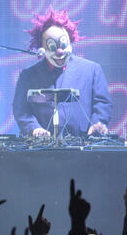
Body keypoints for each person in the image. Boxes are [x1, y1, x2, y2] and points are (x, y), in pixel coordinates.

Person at [13, 7, 112, 137]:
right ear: (42, 49)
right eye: (52, 47)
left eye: (63, 45)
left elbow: (102, 102)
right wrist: (34, 128)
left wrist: (98, 123)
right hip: (41, 149)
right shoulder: (27, 75)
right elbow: (21, 109)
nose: (59, 52)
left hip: (82, 146)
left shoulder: (92, 70)